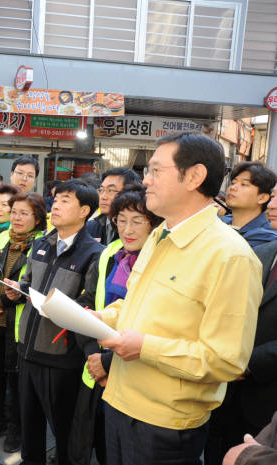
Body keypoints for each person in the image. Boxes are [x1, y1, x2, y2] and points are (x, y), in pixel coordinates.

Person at [94, 133, 262, 465]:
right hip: (118, 399)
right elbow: (139, 305)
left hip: (163, 423)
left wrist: (145, 346)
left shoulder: (230, 256)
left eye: (156, 171)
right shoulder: (160, 234)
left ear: (195, 176)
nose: (146, 181)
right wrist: (101, 318)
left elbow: (225, 360)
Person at [4, 180, 102, 465]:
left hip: (61, 356)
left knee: (64, 428)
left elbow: (91, 303)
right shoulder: (41, 243)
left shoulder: (93, 253)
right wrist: (17, 289)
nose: (56, 205)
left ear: (85, 211)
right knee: (29, 422)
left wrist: (60, 307)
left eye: (66, 201)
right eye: (56, 199)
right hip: (29, 348)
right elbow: (29, 282)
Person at [69, 184, 162, 465]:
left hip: (136, 371)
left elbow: (152, 321)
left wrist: (107, 363)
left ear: (154, 224)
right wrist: (93, 358)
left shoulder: (160, 261)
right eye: (121, 221)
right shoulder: (110, 254)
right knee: (98, 440)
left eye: (137, 221)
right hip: (96, 363)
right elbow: (90, 302)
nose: (127, 229)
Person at [0, 191, 46, 453]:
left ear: (37, 218)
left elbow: (35, 286)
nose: (16, 217)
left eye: (24, 213)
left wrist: (1, 301)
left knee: (17, 381)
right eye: (14, 212)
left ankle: (16, 427)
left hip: (19, 324)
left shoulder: (43, 244)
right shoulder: (1, 237)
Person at [204, 231, 277, 464]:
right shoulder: (259, 252)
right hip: (224, 386)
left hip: (266, 394)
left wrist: (249, 365)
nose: (273, 203)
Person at [220, 161, 277, 248]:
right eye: (233, 183)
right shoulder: (219, 222)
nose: (233, 188)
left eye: (244, 184)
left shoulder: (267, 237)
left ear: (262, 198)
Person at [86, 168, 141, 246]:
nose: (103, 197)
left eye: (111, 190)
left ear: (130, 193)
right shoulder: (92, 227)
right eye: (101, 190)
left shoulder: (136, 232)